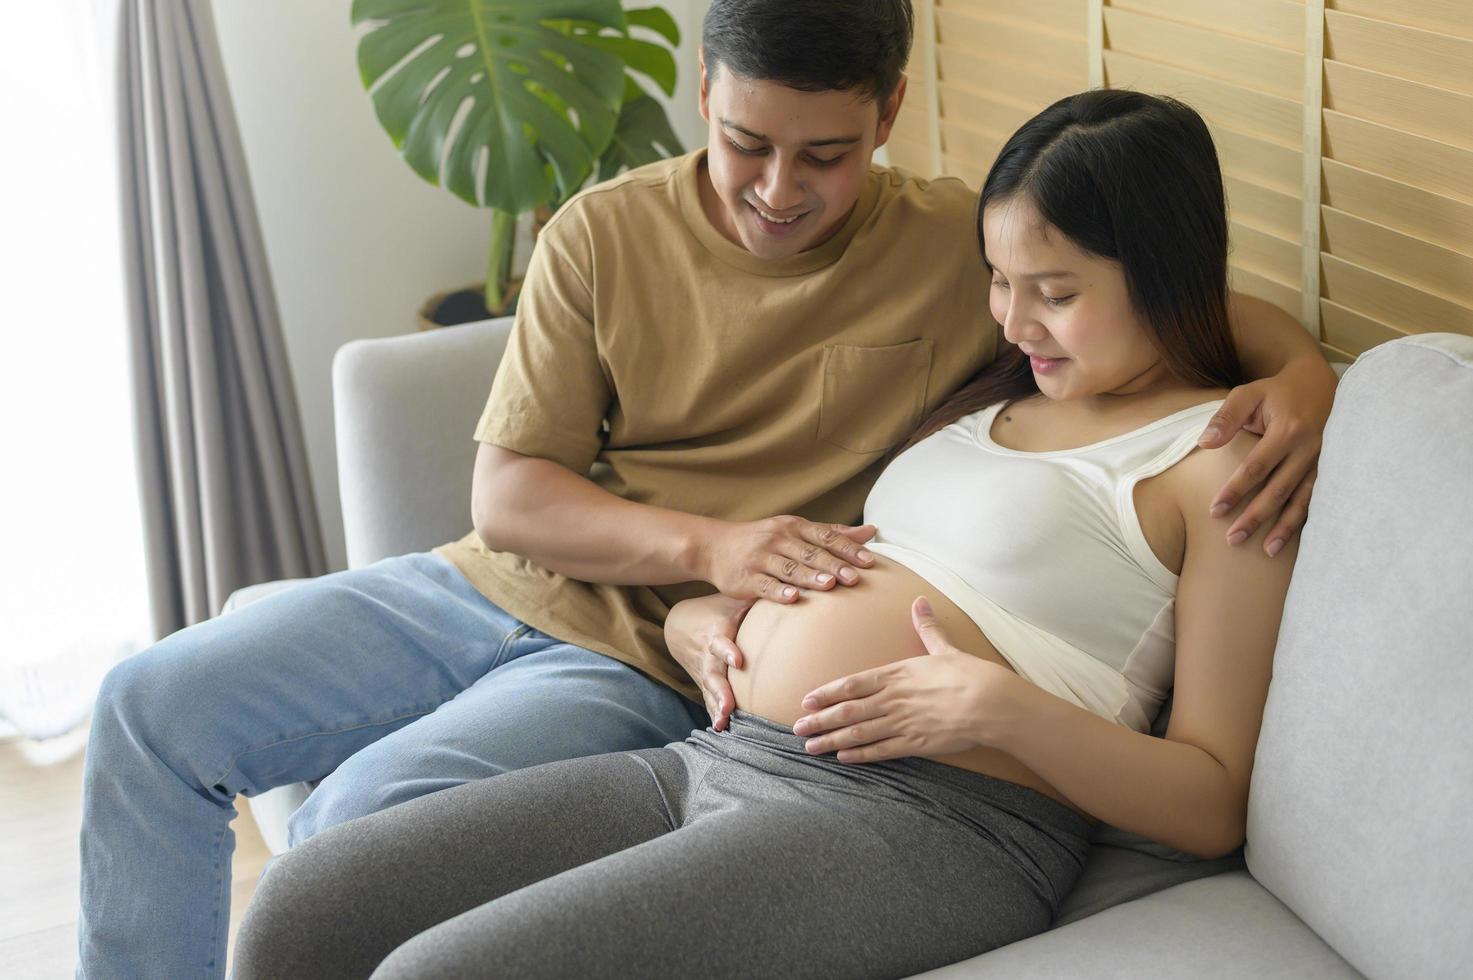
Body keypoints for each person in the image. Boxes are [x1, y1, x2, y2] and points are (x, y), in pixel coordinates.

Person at [76, 2, 1335, 977]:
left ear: (891, 111)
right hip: (700, 716)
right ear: (704, 96)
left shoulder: (1214, 456)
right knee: (301, 900)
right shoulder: (1004, 372)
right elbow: (514, 490)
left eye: (1047, 291)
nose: (779, 190)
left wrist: (1311, 375)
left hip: (928, 806)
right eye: (746, 143)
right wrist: (714, 586)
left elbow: (1211, 793)